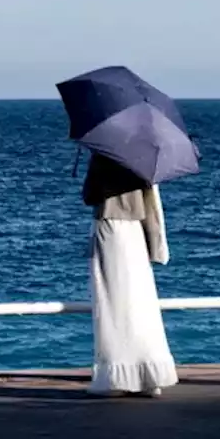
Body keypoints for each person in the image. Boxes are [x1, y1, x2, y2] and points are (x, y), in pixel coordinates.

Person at [81, 153, 178, 397]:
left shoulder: (102, 154)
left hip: (109, 228)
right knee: (139, 303)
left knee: (112, 304)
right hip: (136, 232)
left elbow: (90, 196)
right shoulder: (143, 159)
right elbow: (151, 207)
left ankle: (115, 377)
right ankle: (150, 376)